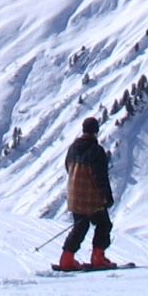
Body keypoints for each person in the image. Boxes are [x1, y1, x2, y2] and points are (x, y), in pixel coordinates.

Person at [56, 116, 115, 270]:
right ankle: (98, 258)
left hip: (74, 197)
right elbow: (100, 176)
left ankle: (66, 259)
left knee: (80, 226)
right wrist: (106, 196)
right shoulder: (96, 151)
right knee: (104, 224)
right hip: (91, 198)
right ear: (96, 131)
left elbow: (68, 167)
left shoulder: (73, 148)